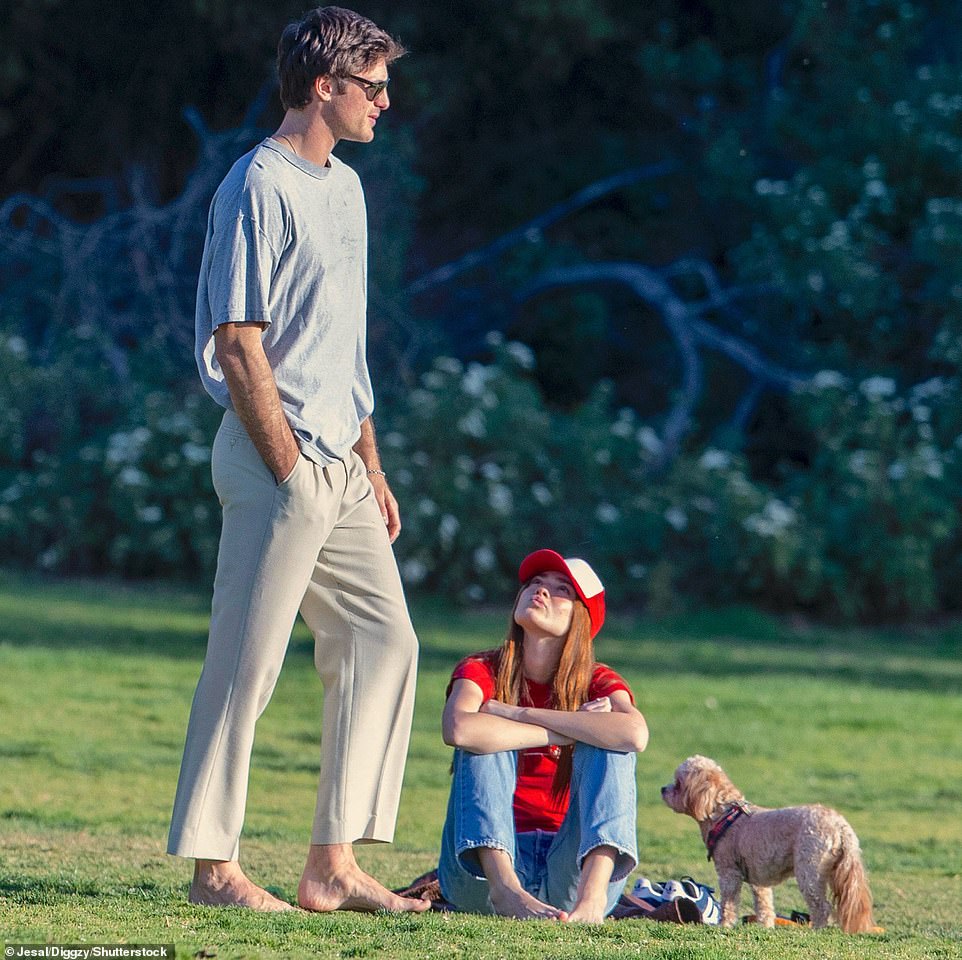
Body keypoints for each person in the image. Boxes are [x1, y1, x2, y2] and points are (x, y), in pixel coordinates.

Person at [166, 6, 428, 915]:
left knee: (383, 640)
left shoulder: (346, 189)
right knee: (248, 662)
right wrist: (288, 470)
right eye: (374, 86)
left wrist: (370, 465)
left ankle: (332, 865)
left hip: (342, 465)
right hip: (277, 458)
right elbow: (238, 343)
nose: (386, 103)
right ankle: (214, 871)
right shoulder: (257, 185)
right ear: (324, 87)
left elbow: (341, 348)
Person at [438, 549, 648, 923]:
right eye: (535, 583)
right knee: (483, 740)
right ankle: (507, 891)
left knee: (612, 743)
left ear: (581, 618)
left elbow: (634, 734)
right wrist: (569, 730)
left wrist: (518, 713)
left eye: (561, 588)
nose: (541, 591)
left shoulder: (596, 680)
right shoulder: (482, 668)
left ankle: (592, 901)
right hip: (482, 873)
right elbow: (459, 728)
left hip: (568, 870)